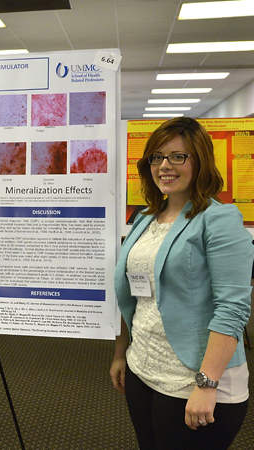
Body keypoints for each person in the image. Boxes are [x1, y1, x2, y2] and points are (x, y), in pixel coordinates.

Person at [109, 117, 253, 450]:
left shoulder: (219, 219)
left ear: (199, 161)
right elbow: (133, 290)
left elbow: (232, 308)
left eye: (178, 156)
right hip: (142, 367)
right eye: (156, 157)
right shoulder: (144, 217)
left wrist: (206, 383)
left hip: (193, 381)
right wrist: (121, 353)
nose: (164, 166)